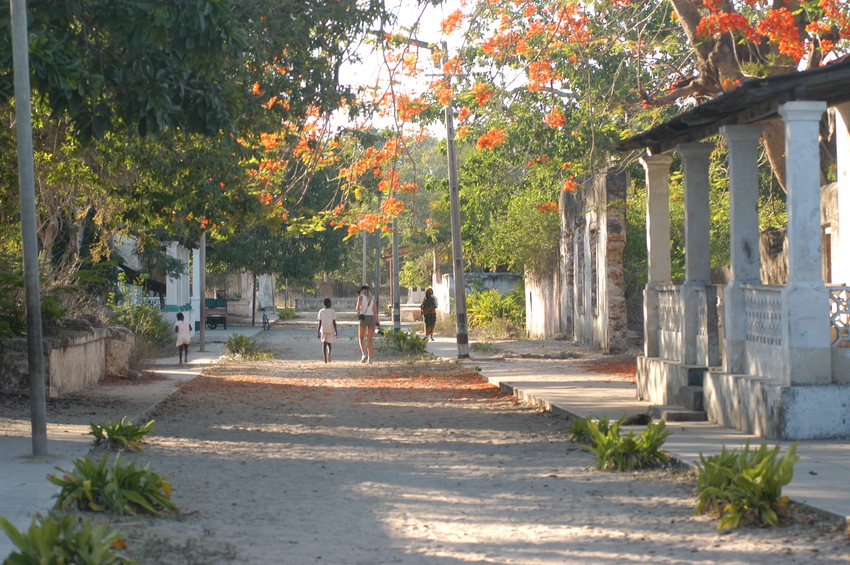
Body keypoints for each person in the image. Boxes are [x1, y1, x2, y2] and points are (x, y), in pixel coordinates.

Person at [356, 285, 379, 363]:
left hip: (363, 319)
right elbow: (375, 311)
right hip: (371, 318)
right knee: (369, 340)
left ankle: (364, 354)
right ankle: (370, 358)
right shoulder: (372, 299)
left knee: (361, 338)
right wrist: (378, 322)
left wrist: (360, 304)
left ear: (362, 290)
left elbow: (358, 308)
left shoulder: (361, 297)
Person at [316, 298, 338, 363]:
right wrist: (336, 332)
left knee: (324, 343)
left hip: (323, 329)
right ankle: (329, 353)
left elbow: (320, 322)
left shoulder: (321, 311)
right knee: (329, 343)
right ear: (329, 304)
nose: (331, 304)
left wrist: (318, 332)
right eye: (330, 303)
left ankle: (325, 359)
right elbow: (334, 322)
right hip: (330, 329)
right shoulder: (332, 311)